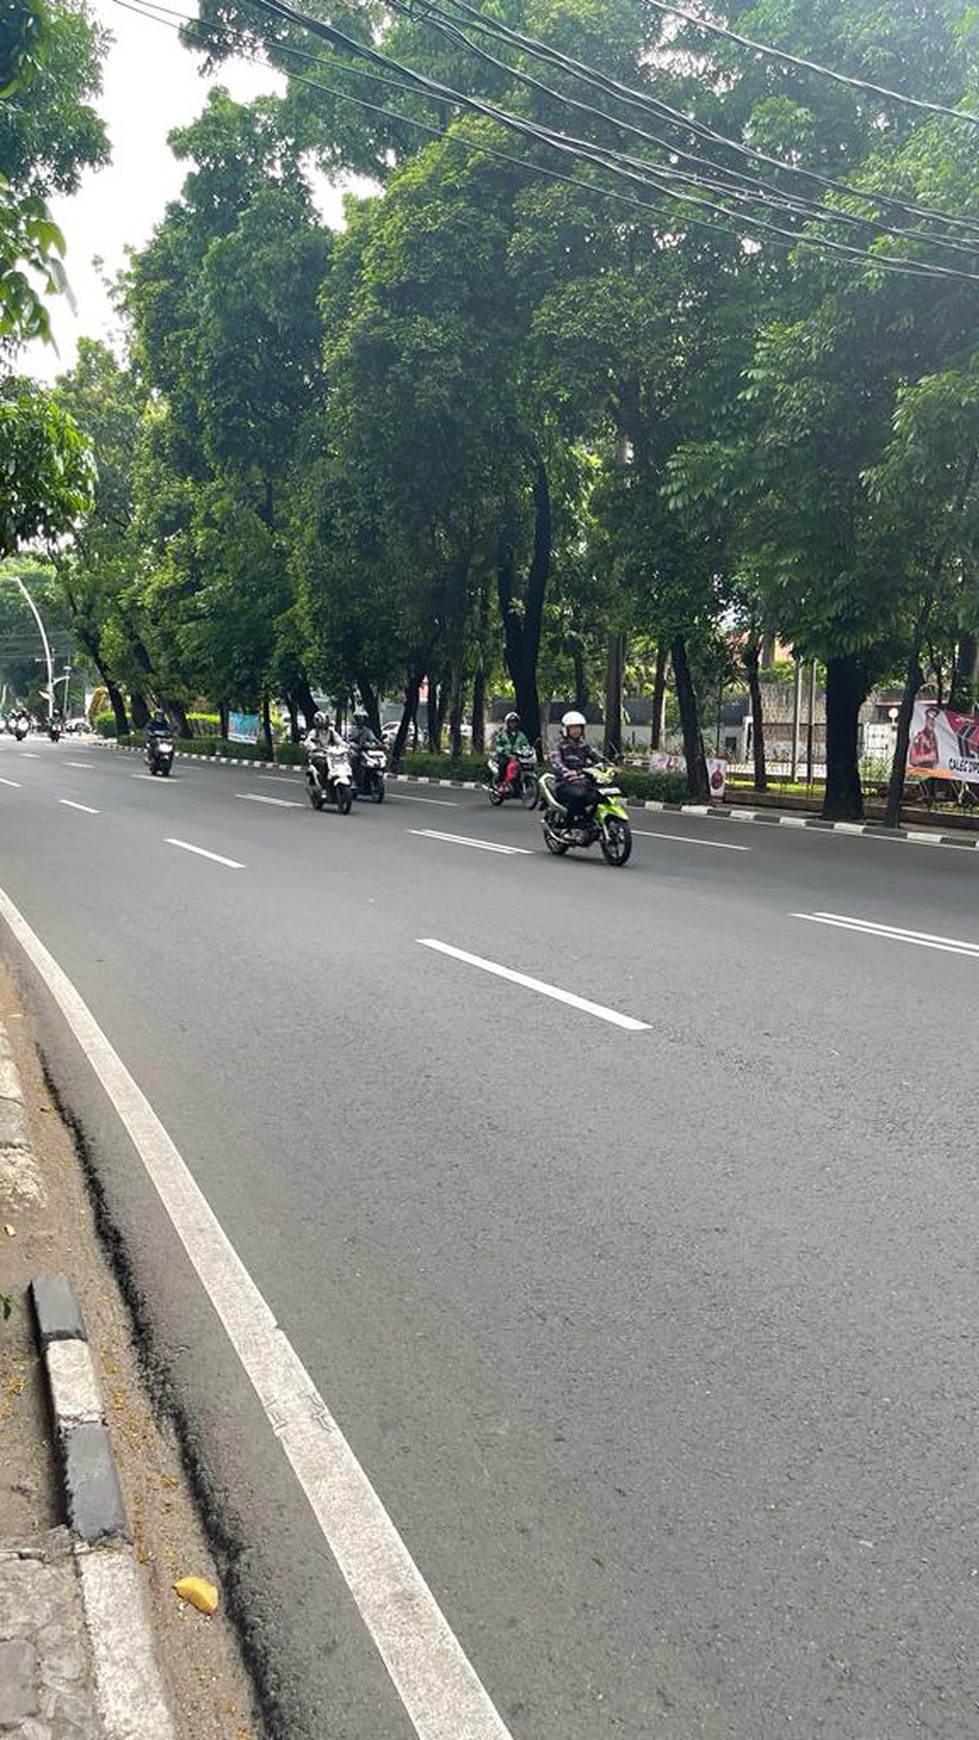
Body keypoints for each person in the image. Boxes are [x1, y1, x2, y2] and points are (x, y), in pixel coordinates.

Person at [550, 709, 604, 822]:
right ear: (566, 729)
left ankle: (589, 820)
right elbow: (556, 762)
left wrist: (608, 766)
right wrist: (567, 772)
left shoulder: (584, 744)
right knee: (578, 795)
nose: (576, 730)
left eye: (578, 727)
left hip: (584, 781)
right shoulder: (558, 744)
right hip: (564, 783)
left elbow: (597, 757)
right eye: (573, 727)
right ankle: (569, 826)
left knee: (599, 795)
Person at [492, 711, 530, 791]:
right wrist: (503, 751)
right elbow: (497, 745)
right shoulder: (502, 734)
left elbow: (526, 744)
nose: (513, 724)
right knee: (503, 764)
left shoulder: (521, 735)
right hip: (505, 756)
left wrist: (527, 751)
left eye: (515, 722)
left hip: (517, 757)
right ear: (507, 723)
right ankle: (501, 784)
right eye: (511, 722)